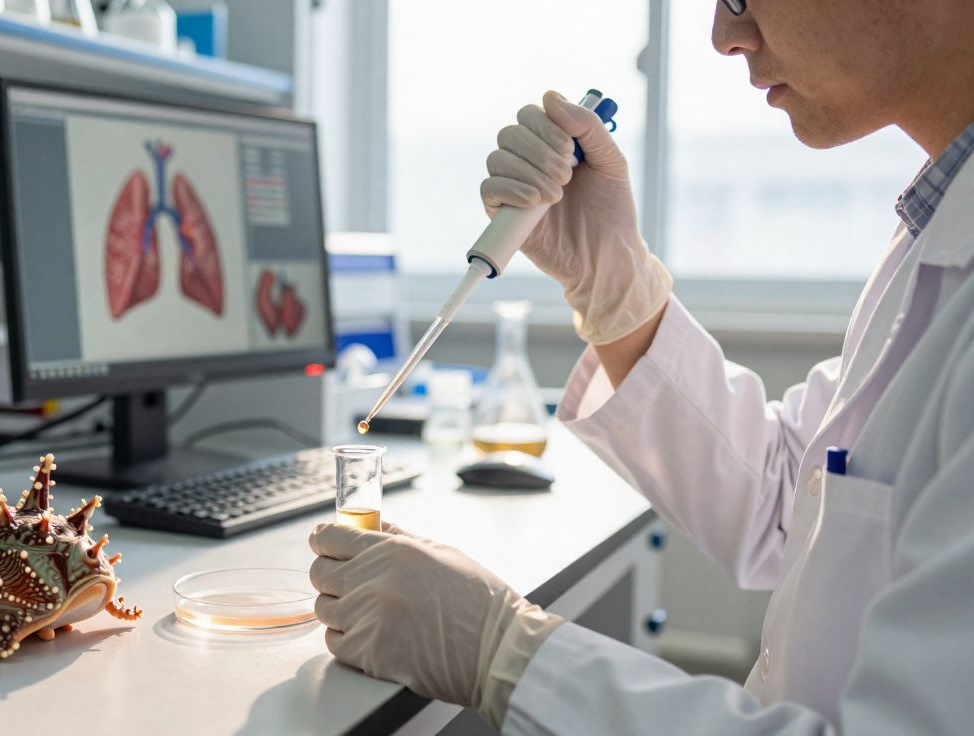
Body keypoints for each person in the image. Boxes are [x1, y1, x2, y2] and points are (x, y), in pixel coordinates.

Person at [308, 0, 974, 732]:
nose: (724, 36)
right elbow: (795, 500)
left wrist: (509, 655)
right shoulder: (935, 230)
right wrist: (612, 284)